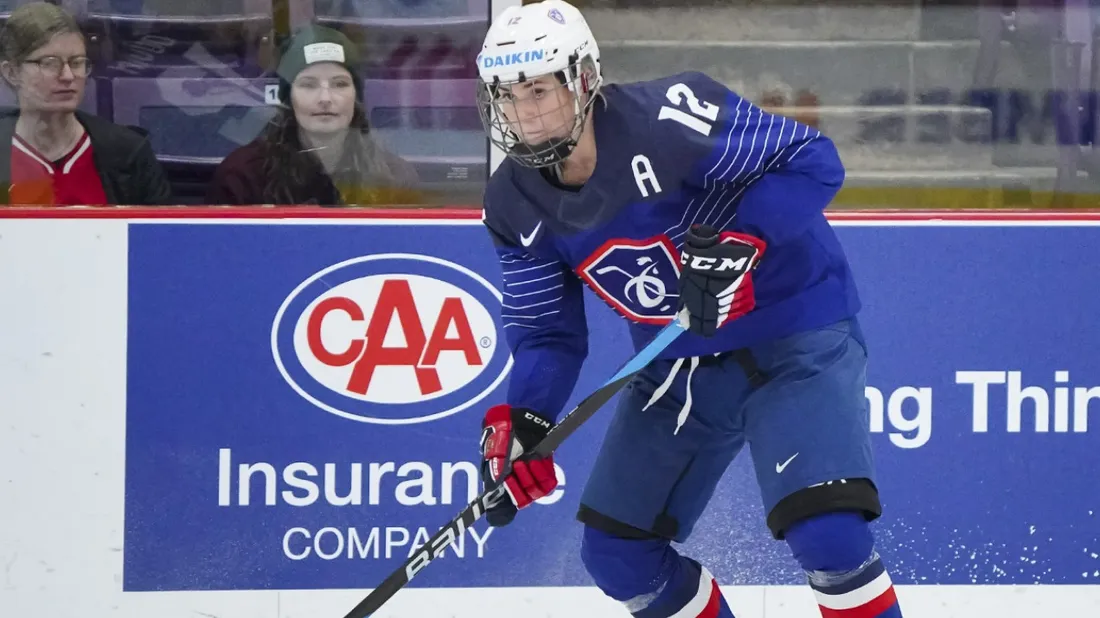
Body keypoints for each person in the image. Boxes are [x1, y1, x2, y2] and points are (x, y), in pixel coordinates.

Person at [473, 2, 904, 618]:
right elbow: (547, 335)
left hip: (793, 334)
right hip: (677, 364)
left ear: (584, 80)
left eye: (539, 89)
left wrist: (739, 241)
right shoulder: (511, 201)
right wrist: (525, 420)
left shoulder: (669, 117)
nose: (525, 113)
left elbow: (812, 161)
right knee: (619, 557)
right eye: (508, 95)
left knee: (828, 535)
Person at [207, 24, 422, 207]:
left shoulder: (394, 177)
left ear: (356, 96)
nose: (325, 98)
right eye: (308, 85)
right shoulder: (242, 176)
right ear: (288, 99)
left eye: (340, 84)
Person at [0, 1, 171, 206]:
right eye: (49, 63)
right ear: (11, 73)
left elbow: (160, 225)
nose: (67, 76)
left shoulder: (130, 153)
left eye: (77, 62)